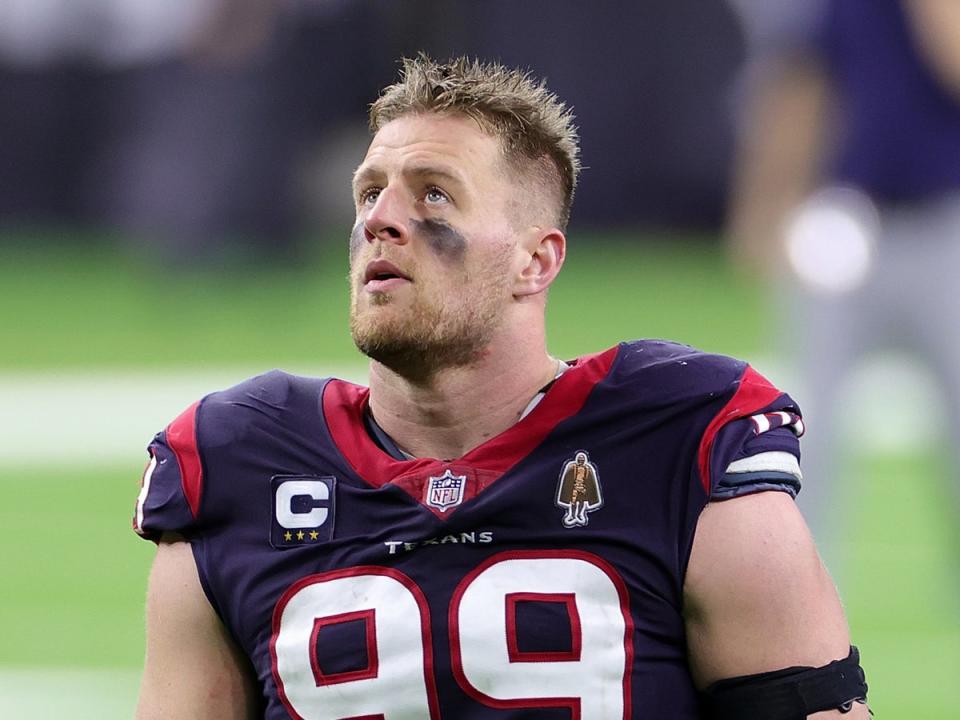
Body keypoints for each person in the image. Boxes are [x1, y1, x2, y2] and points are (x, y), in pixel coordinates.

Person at [132, 54, 869, 719]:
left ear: (535, 262)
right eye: (369, 194)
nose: (382, 220)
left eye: (435, 196)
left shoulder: (678, 436)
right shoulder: (236, 462)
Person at [726, 0, 960, 562]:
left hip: (945, 221)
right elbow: (804, 87)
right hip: (845, 223)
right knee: (802, 423)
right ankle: (795, 591)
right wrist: (765, 200)